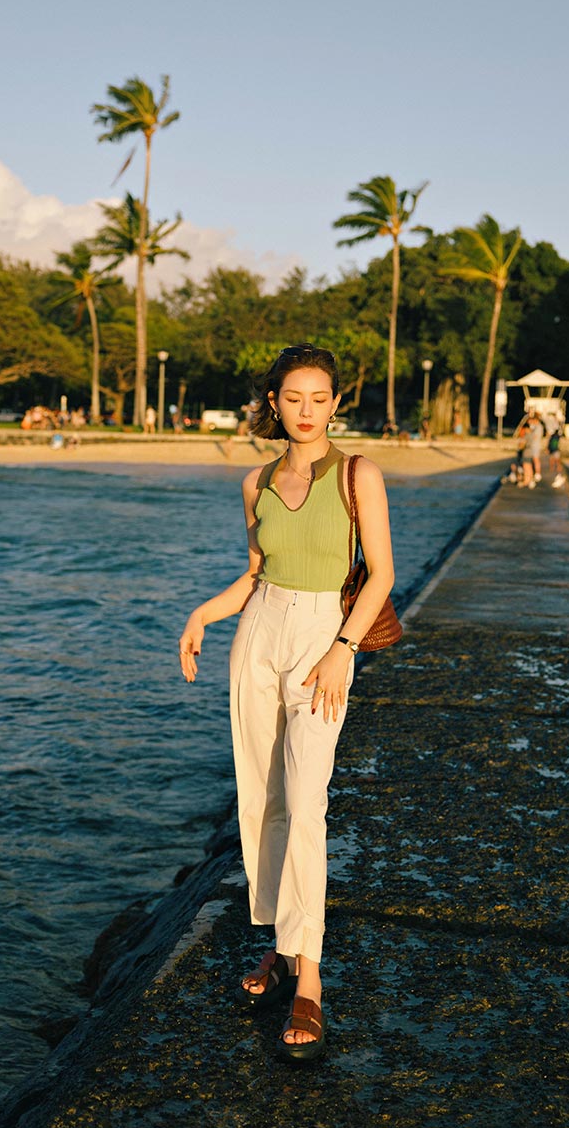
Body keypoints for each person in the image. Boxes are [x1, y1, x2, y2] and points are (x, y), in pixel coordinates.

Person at [178, 343, 395, 1064]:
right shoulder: (257, 480)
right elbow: (255, 575)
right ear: (274, 402)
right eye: (293, 397)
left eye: (319, 398)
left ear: (337, 403)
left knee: (307, 804)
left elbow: (383, 573)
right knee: (262, 799)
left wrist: (343, 649)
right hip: (258, 634)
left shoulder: (358, 473)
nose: (306, 410)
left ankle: (311, 980)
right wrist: (202, 616)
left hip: (323, 642)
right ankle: (281, 944)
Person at [523, 410, 545, 488]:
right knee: (533, 460)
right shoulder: (535, 427)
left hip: (535, 446)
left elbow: (534, 437)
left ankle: (537, 473)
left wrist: (529, 433)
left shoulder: (539, 427)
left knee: (536, 459)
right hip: (532, 446)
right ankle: (534, 474)